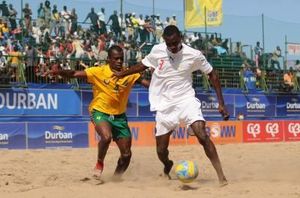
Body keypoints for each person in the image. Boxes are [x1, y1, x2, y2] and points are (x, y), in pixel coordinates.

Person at [114, 25, 229, 186]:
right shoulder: (157, 50)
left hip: (186, 100)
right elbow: (142, 65)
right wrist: (122, 74)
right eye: (169, 44)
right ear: (165, 42)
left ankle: (221, 176)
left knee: (202, 135)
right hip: (164, 104)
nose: (173, 47)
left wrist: (221, 103)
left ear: (180, 38)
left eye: (175, 43)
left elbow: (212, 75)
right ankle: (167, 164)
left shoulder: (194, 54)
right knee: (161, 151)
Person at [47, 45, 149, 180]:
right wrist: (59, 72)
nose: (119, 61)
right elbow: (74, 74)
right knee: (106, 137)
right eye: (116, 59)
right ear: (108, 60)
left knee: (126, 155)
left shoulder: (129, 74)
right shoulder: (99, 71)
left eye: (121, 59)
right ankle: (100, 163)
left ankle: (115, 179)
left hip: (120, 117)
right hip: (100, 111)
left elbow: (147, 83)